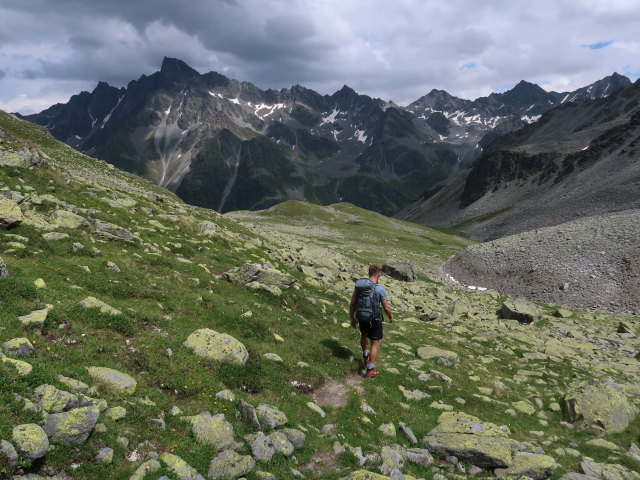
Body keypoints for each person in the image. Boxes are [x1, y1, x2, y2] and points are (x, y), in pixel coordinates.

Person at [349, 265, 394, 378]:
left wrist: (352, 318)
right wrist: (390, 317)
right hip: (375, 319)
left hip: (361, 316)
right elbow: (386, 307)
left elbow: (353, 303)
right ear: (378, 274)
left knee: (364, 335)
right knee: (375, 343)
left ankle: (365, 354)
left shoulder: (359, 287)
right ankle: (371, 370)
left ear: (369, 273)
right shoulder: (379, 289)